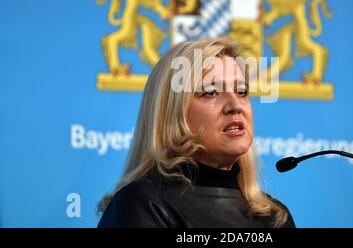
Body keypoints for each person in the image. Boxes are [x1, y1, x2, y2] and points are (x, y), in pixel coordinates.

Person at [97, 38, 296, 228]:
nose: (235, 106)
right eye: (210, 92)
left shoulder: (275, 217)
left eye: (242, 91)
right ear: (172, 112)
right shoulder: (142, 205)